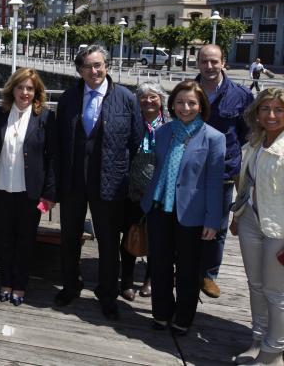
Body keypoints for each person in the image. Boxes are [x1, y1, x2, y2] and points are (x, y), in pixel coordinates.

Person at [54, 44, 143, 320]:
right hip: (73, 183)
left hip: (111, 183)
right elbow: (59, 142)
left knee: (107, 242)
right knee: (69, 237)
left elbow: (137, 143)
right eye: (87, 66)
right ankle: (71, 285)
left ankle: (107, 294)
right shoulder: (68, 98)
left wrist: (134, 186)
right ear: (79, 70)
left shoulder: (126, 99)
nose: (94, 71)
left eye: (98, 65)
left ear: (107, 66)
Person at [142, 80, 225, 336]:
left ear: (201, 106)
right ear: (172, 104)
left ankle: (184, 317)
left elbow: (214, 182)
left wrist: (213, 221)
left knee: (188, 269)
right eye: (180, 102)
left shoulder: (213, 138)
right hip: (159, 208)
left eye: (191, 103)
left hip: (192, 213)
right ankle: (161, 313)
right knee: (159, 264)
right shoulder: (164, 132)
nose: (185, 107)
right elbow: (156, 168)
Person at [0, 68, 55, 305]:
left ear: (36, 92)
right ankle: (5, 282)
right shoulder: (0, 114)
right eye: (20, 87)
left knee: (26, 240)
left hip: (31, 192)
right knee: (4, 239)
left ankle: (20, 285)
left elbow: (53, 158)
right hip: (2, 188)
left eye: (30, 88)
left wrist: (50, 193)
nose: (25, 92)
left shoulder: (45, 118)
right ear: (12, 89)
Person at [196, 44, 254, 298]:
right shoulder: (190, 90)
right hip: (193, 169)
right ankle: (186, 268)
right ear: (198, 63)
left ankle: (209, 275)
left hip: (223, 170)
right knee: (189, 221)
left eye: (214, 62)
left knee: (218, 226)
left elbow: (247, 132)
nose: (209, 66)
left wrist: (230, 153)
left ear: (223, 63)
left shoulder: (240, 95)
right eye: (204, 61)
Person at [232, 88, 284, 365]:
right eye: (266, 109)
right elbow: (246, 182)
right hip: (251, 220)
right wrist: (237, 215)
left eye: (279, 109)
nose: (272, 115)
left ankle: (274, 351)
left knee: (277, 293)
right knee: (255, 285)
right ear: (257, 113)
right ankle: (258, 338)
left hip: (279, 229)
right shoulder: (255, 141)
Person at [121, 82, 167, 301]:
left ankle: (150, 279)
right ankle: (127, 280)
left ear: (161, 100)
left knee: (156, 238)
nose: (148, 101)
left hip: (158, 190)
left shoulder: (168, 125)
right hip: (133, 189)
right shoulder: (131, 123)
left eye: (153, 97)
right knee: (131, 235)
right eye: (143, 97)